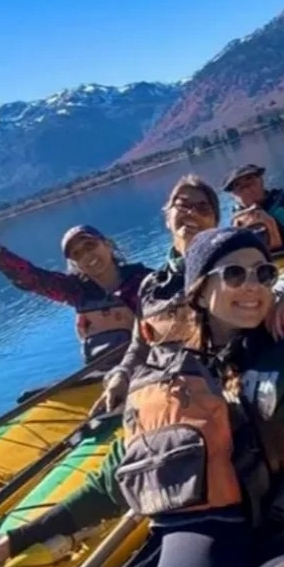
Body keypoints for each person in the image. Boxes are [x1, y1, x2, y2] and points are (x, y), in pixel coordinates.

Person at [0, 227, 284, 567]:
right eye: (234, 274)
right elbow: (117, 477)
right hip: (171, 549)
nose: (252, 285)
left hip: (261, 541)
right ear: (199, 290)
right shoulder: (172, 377)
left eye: (264, 273)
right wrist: (15, 540)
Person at [0, 197, 151, 364]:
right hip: (102, 378)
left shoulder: (147, 282)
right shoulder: (75, 291)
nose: (87, 256)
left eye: (90, 246)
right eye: (77, 254)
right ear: (75, 263)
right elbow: (28, 277)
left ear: (107, 245)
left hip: (148, 370)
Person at [92, 173, 220, 415]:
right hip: (162, 398)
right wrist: (122, 375)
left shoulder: (233, 270)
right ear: (167, 218)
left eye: (203, 208)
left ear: (215, 222)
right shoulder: (151, 286)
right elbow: (139, 347)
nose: (191, 213)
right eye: (182, 205)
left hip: (217, 394)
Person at [222, 163, 284, 254]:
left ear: (261, 181)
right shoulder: (237, 220)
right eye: (240, 187)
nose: (248, 189)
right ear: (233, 195)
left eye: (250, 181)